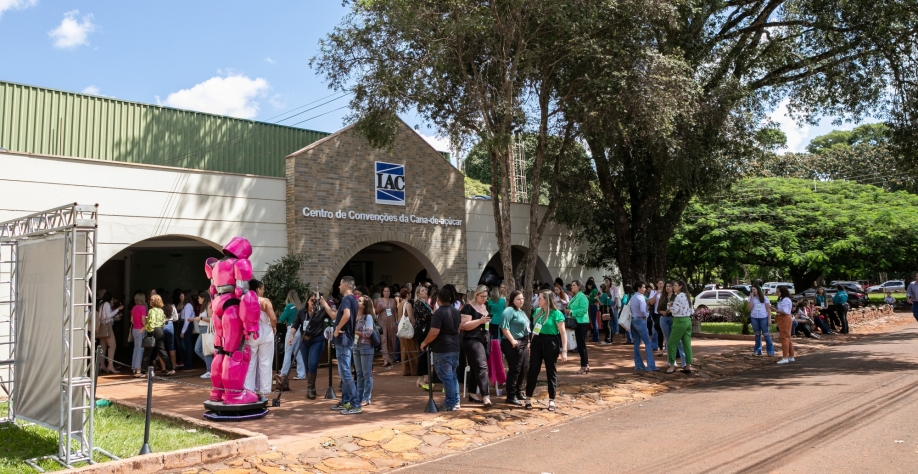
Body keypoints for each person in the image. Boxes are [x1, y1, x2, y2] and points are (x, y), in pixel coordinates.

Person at [322, 276, 361, 414]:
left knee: (345, 372)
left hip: (343, 339)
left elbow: (347, 315)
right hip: (347, 339)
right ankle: (345, 401)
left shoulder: (346, 299)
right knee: (344, 372)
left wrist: (337, 329)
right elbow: (336, 315)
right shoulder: (353, 300)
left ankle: (355, 403)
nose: (338, 287)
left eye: (340, 284)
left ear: (345, 285)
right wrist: (325, 304)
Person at [420, 288, 462, 411]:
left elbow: (434, 332)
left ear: (438, 299)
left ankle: (450, 403)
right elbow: (458, 329)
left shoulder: (439, 313)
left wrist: (424, 342)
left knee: (447, 376)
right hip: (454, 346)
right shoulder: (456, 311)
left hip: (443, 348)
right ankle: (455, 400)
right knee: (452, 375)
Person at [525, 290, 567, 411]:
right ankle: (528, 398)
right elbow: (535, 329)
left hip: (551, 342)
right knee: (533, 369)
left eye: (541, 299)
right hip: (537, 341)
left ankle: (552, 400)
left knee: (551, 370)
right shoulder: (537, 312)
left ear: (547, 300)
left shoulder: (557, 314)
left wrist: (564, 351)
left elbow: (563, 333)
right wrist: (530, 343)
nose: (538, 301)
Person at [291, 292, 330, 399]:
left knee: (312, 363)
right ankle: (311, 388)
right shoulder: (301, 312)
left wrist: (325, 304)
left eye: (316, 301)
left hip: (317, 340)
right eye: (312, 300)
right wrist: (291, 336)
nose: (314, 303)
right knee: (307, 365)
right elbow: (295, 324)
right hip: (304, 341)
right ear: (308, 301)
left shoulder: (321, 311)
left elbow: (333, 315)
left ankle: (310, 389)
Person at [460, 285, 493, 407]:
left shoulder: (485, 306)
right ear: (476, 295)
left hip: (484, 337)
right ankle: (486, 396)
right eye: (482, 296)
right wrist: (479, 321)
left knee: (476, 365)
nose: (484, 299)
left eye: (486, 296)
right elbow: (464, 325)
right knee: (481, 365)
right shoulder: (468, 307)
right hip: (471, 339)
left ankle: (472, 393)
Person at [244, 279, 277, 397]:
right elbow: (273, 317)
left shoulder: (244, 300)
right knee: (265, 362)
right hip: (265, 330)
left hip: (251, 332)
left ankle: (248, 390)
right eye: (262, 289)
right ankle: (264, 392)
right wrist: (274, 327)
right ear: (258, 289)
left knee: (250, 362)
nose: (263, 291)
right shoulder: (264, 301)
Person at [500, 290, 530, 406]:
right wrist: (512, 340)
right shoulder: (509, 310)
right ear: (512, 300)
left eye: (522, 298)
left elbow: (527, 328)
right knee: (515, 368)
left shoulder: (521, 312)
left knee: (524, 367)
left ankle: (518, 391)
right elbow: (504, 326)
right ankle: (510, 395)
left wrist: (528, 342)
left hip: (523, 342)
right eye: (518, 299)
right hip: (511, 342)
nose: (521, 301)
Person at [277, 290, 306, 387]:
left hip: (291, 329)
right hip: (299, 330)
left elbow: (281, 319)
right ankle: (301, 373)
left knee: (288, 352)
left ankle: (283, 373)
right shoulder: (299, 307)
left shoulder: (289, 306)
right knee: (297, 352)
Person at [143, 294, 174, 375]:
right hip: (160, 330)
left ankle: (143, 370)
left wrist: (147, 328)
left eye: (151, 300)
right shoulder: (161, 310)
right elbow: (163, 322)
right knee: (162, 350)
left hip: (154, 330)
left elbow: (151, 323)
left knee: (147, 351)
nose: (150, 301)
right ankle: (171, 368)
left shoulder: (151, 310)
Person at [666, 280, 693, 373]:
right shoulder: (687, 296)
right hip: (687, 320)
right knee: (686, 344)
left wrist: (670, 306)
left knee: (671, 343)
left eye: (675, 285)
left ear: (680, 286)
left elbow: (675, 310)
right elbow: (692, 310)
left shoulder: (678, 296)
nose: (673, 287)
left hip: (679, 321)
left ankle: (672, 365)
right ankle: (688, 366)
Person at [630, 281, 658, 371]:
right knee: (648, 343)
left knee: (636, 343)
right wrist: (646, 315)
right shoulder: (640, 297)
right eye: (643, 287)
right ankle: (651, 365)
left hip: (634, 319)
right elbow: (643, 310)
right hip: (640, 320)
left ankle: (638, 365)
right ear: (639, 288)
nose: (645, 289)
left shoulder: (633, 297)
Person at [354, 296, 376, 407]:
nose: (357, 301)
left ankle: (367, 398)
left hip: (365, 346)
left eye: (359, 301)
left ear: (364, 305)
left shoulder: (368, 317)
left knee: (366, 373)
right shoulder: (355, 315)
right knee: (359, 373)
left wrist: (355, 332)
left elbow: (368, 333)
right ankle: (359, 396)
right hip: (355, 345)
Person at [658, 281, 686, 365]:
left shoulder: (676, 296)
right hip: (664, 319)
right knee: (667, 340)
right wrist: (662, 312)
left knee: (679, 340)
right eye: (666, 286)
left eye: (670, 286)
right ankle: (671, 362)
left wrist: (670, 309)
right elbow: (658, 309)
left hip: (673, 318)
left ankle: (684, 362)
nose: (668, 288)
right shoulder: (662, 297)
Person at [411, 285, 434, 389]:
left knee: (426, 354)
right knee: (422, 353)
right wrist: (433, 314)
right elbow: (425, 316)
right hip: (421, 330)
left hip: (427, 329)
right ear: (418, 293)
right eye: (422, 290)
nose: (425, 292)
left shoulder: (425, 303)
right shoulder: (418, 303)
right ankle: (420, 378)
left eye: (425, 290)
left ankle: (426, 376)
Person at [397, 288, 422, 378]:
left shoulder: (399, 304)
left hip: (401, 329)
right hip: (407, 329)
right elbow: (411, 317)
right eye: (409, 293)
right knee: (412, 349)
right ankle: (415, 369)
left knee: (404, 350)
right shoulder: (407, 304)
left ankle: (406, 370)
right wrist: (414, 327)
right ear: (407, 295)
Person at [97, 292, 122, 374]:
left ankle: (101, 365)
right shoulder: (107, 304)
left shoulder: (100, 303)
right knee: (112, 345)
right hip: (107, 326)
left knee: (103, 346)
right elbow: (108, 315)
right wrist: (118, 309)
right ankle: (110, 365)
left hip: (101, 326)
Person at [568, 280, 590, 374]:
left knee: (581, 345)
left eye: (574, 285)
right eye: (572, 285)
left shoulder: (582, 296)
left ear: (579, 287)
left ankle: (584, 366)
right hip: (577, 322)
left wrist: (572, 312)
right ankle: (586, 365)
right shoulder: (575, 296)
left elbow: (584, 310)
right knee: (580, 344)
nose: (572, 287)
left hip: (582, 322)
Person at [375, 286, 399, 368]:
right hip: (382, 321)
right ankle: (386, 359)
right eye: (385, 291)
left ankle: (391, 358)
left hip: (391, 321)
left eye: (388, 291)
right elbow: (376, 312)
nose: (386, 293)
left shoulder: (392, 301)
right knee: (384, 340)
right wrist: (379, 308)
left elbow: (395, 312)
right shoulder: (379, 300)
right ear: (382, 292)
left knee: (391, 340)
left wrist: (396, 323)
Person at [193, 292, 215, 378]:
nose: (198, 300)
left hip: (206, 329)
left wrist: (200, 318)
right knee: (200, 349)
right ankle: (211, 366)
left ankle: (209, 370)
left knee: (203, 350)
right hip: (202, 329)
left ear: (203, 298)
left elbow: (211, 319)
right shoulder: (203, 307)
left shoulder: (208, 306)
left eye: (199, 298)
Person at [774, 286, 795, 364]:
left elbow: (785, 312)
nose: (776, 293)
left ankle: (785, 357)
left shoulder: (785, 300)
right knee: (787, 337)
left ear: (782, 292)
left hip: (784, 319)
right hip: (783, 318)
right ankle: (791, 355)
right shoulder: (782, 299)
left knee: (784, 338)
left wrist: (775, 310)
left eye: (778, 292)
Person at [179, 290, 197, 370]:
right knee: (187, 345)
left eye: (183, 296)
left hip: (187, 325)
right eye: (180, 296)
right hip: (187, 325)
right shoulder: (186, 305)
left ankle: (188, 364)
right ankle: (187, 363)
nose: (181, 297)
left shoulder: (187, 306)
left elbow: (187, 320)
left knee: (188, 345)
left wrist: (183, 331)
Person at [130, 291, 147, 377]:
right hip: (140, 329)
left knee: (136, 348)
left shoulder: (134, 307)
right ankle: (138, 368)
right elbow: (143, 319)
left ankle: (134, 367)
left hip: (134, 329)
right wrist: (145, 327)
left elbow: (132, 320)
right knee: (140, 349)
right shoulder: (143, 308)